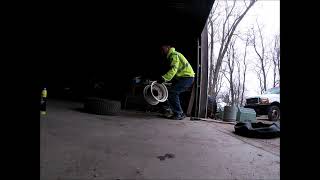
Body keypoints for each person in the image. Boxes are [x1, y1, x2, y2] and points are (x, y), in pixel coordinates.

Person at [157, 44, 195, 120]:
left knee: (173, 93)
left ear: (168, 47)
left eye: (163, 48)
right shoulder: (173, 55)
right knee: (173, 92)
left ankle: (178, 113)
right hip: (184, 78)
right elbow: (176, 71)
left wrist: (164, 78)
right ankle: (178, 112)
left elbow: (174, 69)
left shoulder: (173, 55)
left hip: (187, 78)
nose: (162, 50)